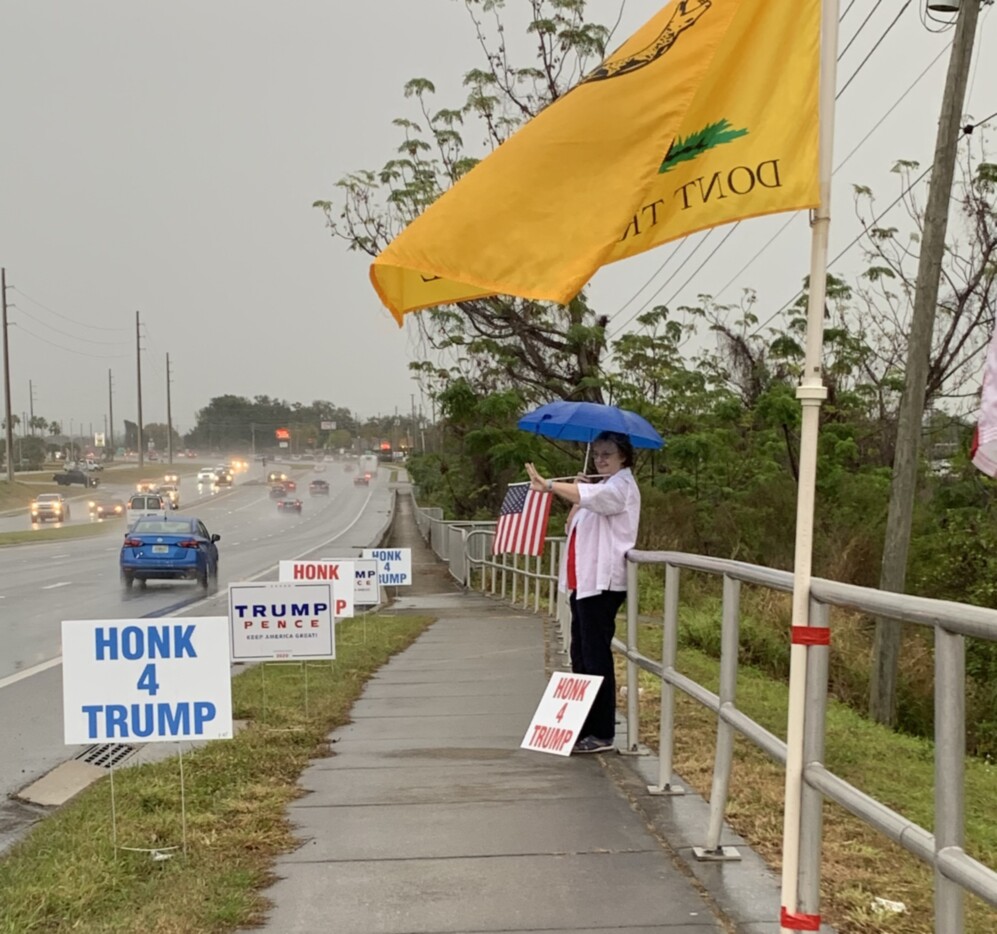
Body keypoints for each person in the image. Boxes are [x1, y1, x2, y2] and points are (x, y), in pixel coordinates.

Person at [525, 430, 640, 754]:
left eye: (608, 454)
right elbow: (573, 522)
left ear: (623, 457)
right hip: (583, 583)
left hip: (602, 584)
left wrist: (550, 486)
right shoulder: (600, 487)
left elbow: (595, 502)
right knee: (580, 655)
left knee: (595, 656)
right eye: (598, 454)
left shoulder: (620, 488)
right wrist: (579, 493)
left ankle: (602, 732)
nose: (600, 459)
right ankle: (584, 726)